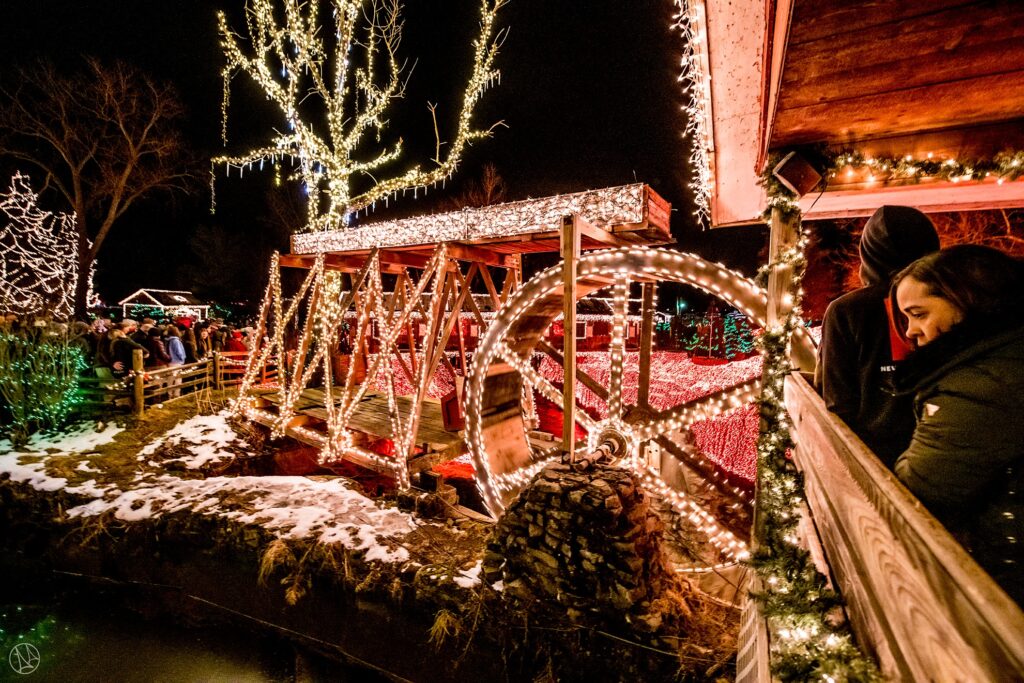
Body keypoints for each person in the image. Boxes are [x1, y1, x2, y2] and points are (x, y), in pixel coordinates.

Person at [891, 244, 1024, 604]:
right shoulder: (991, 362)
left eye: (918, 314)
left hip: (1002, 584)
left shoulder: (983, 384)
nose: (911, 333)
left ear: (967, 299)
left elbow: (920, 490)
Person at [816, 205, 940, 467]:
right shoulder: (953, 302)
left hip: (871, 467)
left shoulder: (846, 310)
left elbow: (837, 402)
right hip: (944, 457)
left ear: (868, 254)